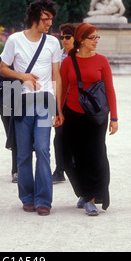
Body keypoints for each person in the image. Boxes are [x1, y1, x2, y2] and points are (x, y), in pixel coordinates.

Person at [0, 0, 64, 216]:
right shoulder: (15, 40)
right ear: (34, 18)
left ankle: (44, 199)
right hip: (21, 101)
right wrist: (22, 76)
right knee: (24, 153)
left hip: (45, 102)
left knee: (43, 150)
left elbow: (57, 76)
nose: (49, 24)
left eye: (51, 19)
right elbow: (2, 69)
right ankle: (27, 197)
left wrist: (58, 109)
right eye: (45, 19)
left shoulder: (53, 43)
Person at [60, 22, 118, 216]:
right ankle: (83, 192)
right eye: (92, 38)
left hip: (96, 116)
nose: (96, 41)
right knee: (71, 156)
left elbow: (110, 90)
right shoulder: (68, 61)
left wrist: (114, 118)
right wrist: (58, 113)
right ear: (81, 40)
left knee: (95, 155)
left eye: (97, 37)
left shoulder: (102, 60)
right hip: (72, 113)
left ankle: (92, 198)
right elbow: (63, 89)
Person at [52, 23, 76, 183]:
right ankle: (59, 169)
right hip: (60, 101)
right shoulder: (58, 56)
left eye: (68, 37)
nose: (64, 40)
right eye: (62, 37)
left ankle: (73, 166)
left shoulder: (79, 56)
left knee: (74, 137)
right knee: (59, 136)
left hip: (75, 101)